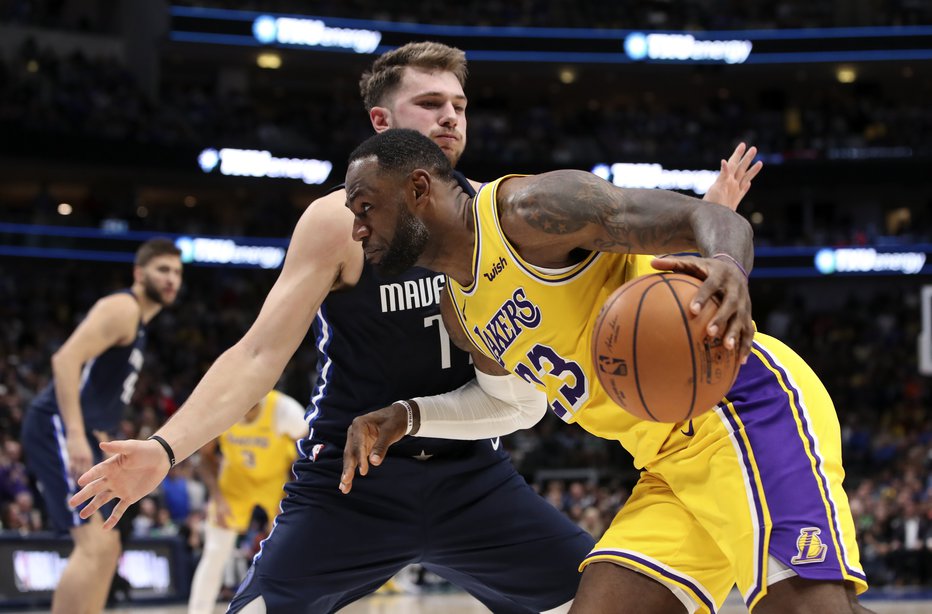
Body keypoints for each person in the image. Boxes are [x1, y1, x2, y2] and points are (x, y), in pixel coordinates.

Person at [69, 43, 757, 614]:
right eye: (431, 104)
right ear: (382, 119)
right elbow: (258, 354)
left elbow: (600, 300)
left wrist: (707, 234)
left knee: (596, 602)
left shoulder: (498, 216)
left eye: (459, 105)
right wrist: (167, 448)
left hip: (472, 473)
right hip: (351, 479)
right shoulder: (340, 220)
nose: (451, 118)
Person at [334, 128, 874, 614]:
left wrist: (727, 266)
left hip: (739, 409)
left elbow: (706, 218)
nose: (357, 229)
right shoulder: (460, 309)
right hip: (667, 462)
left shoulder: (529, 212)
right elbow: (515, 405)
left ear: (418, 189)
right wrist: (407, 417)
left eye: (364, 208)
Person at [20, 238, 182, 614]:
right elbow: (65, 361)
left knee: (107, 546)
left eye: (177, 272)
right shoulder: (123, 308)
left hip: (84, 430)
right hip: (56, 425)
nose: (172, 279)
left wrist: (103, 438)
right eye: (163, 270)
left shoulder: (138, 323)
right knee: (93, 545)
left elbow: (98, 391)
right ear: (139, 273)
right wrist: (76, 434)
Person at [188, 389, 307, 614]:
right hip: (235, 483)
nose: (244, 413)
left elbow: (308, 453)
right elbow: (204, 458)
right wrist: (217, 498)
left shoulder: (285, 410)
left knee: (289, 552)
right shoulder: (221, 410)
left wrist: (294, 492)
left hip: (275, 483)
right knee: (214, 552)